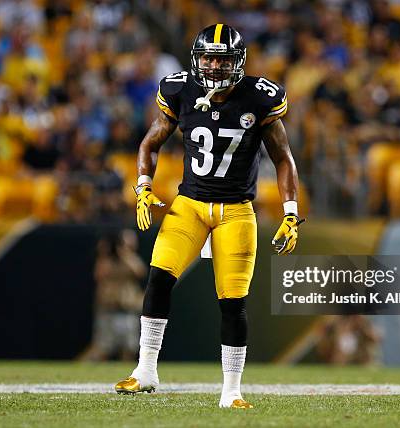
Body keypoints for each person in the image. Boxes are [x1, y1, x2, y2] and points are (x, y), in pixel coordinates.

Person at [115, 24, 303, 409]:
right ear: (196, 59)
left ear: (239, 62)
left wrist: (290, 211)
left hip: (236, 211)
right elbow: (150, 142)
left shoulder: (259, 98)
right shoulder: (180, 89)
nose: (214, 66)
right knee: (158, 278)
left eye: (223, 59)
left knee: (232, 303)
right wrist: (143, 185)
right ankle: (145, 370)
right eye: (208, 58)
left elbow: (283, 157)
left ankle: (231, 391)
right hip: (190, 206)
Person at [78, 231, 145, 361]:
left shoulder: (131, 259)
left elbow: (139, 271)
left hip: (127, 310)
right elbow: (100, 275)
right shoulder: (106, 260)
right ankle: (80, 369)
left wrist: (125, 253)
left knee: (129, 350)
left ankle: (126, 379)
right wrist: (105, 253)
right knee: (102, 348)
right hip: (109, 311)